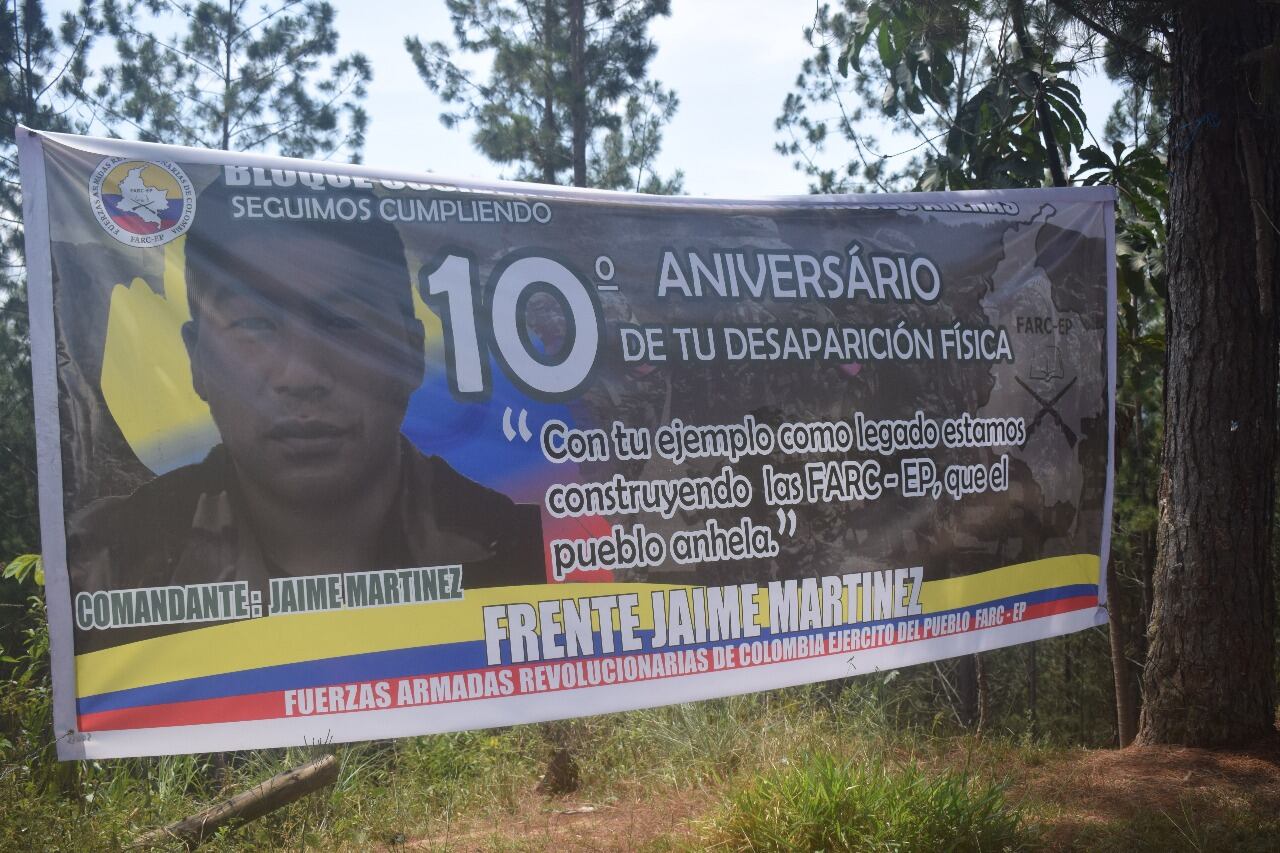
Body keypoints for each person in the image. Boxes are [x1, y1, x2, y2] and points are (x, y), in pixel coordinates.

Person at [69, 179, 545, 650]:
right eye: (254, 323)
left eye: (344, 322)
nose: (302, 375)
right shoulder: (109, 564)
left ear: (412, 351)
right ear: (197, 361)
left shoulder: (523, 551)